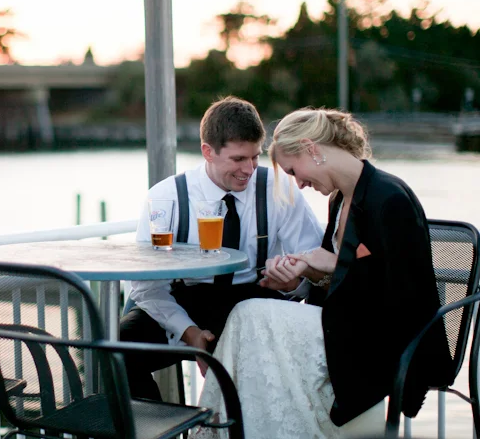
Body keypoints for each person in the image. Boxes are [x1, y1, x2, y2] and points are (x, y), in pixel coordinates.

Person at [192, 107, 453, 439]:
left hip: (384, 339)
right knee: (250, 319)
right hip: (345, 324)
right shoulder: (341, 199)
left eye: (293, 170)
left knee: (250, 315)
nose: (299, 184)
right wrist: (305, 273)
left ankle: (223, 431)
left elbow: (401, 296)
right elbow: (342, 284)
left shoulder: (389, 198)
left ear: (311, 149)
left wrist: (333, 263)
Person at [119, 96, 324, 401]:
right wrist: (189, 332)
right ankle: (156, 430)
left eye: (255, 157)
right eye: (238, 159)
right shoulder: (166, 197)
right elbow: (147, 286)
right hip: (182, 299)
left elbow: (314, 266)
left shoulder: (280, 189)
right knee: (120, 349)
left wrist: (294, 284)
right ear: (208, 152)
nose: (250, 169)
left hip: (254, 297)